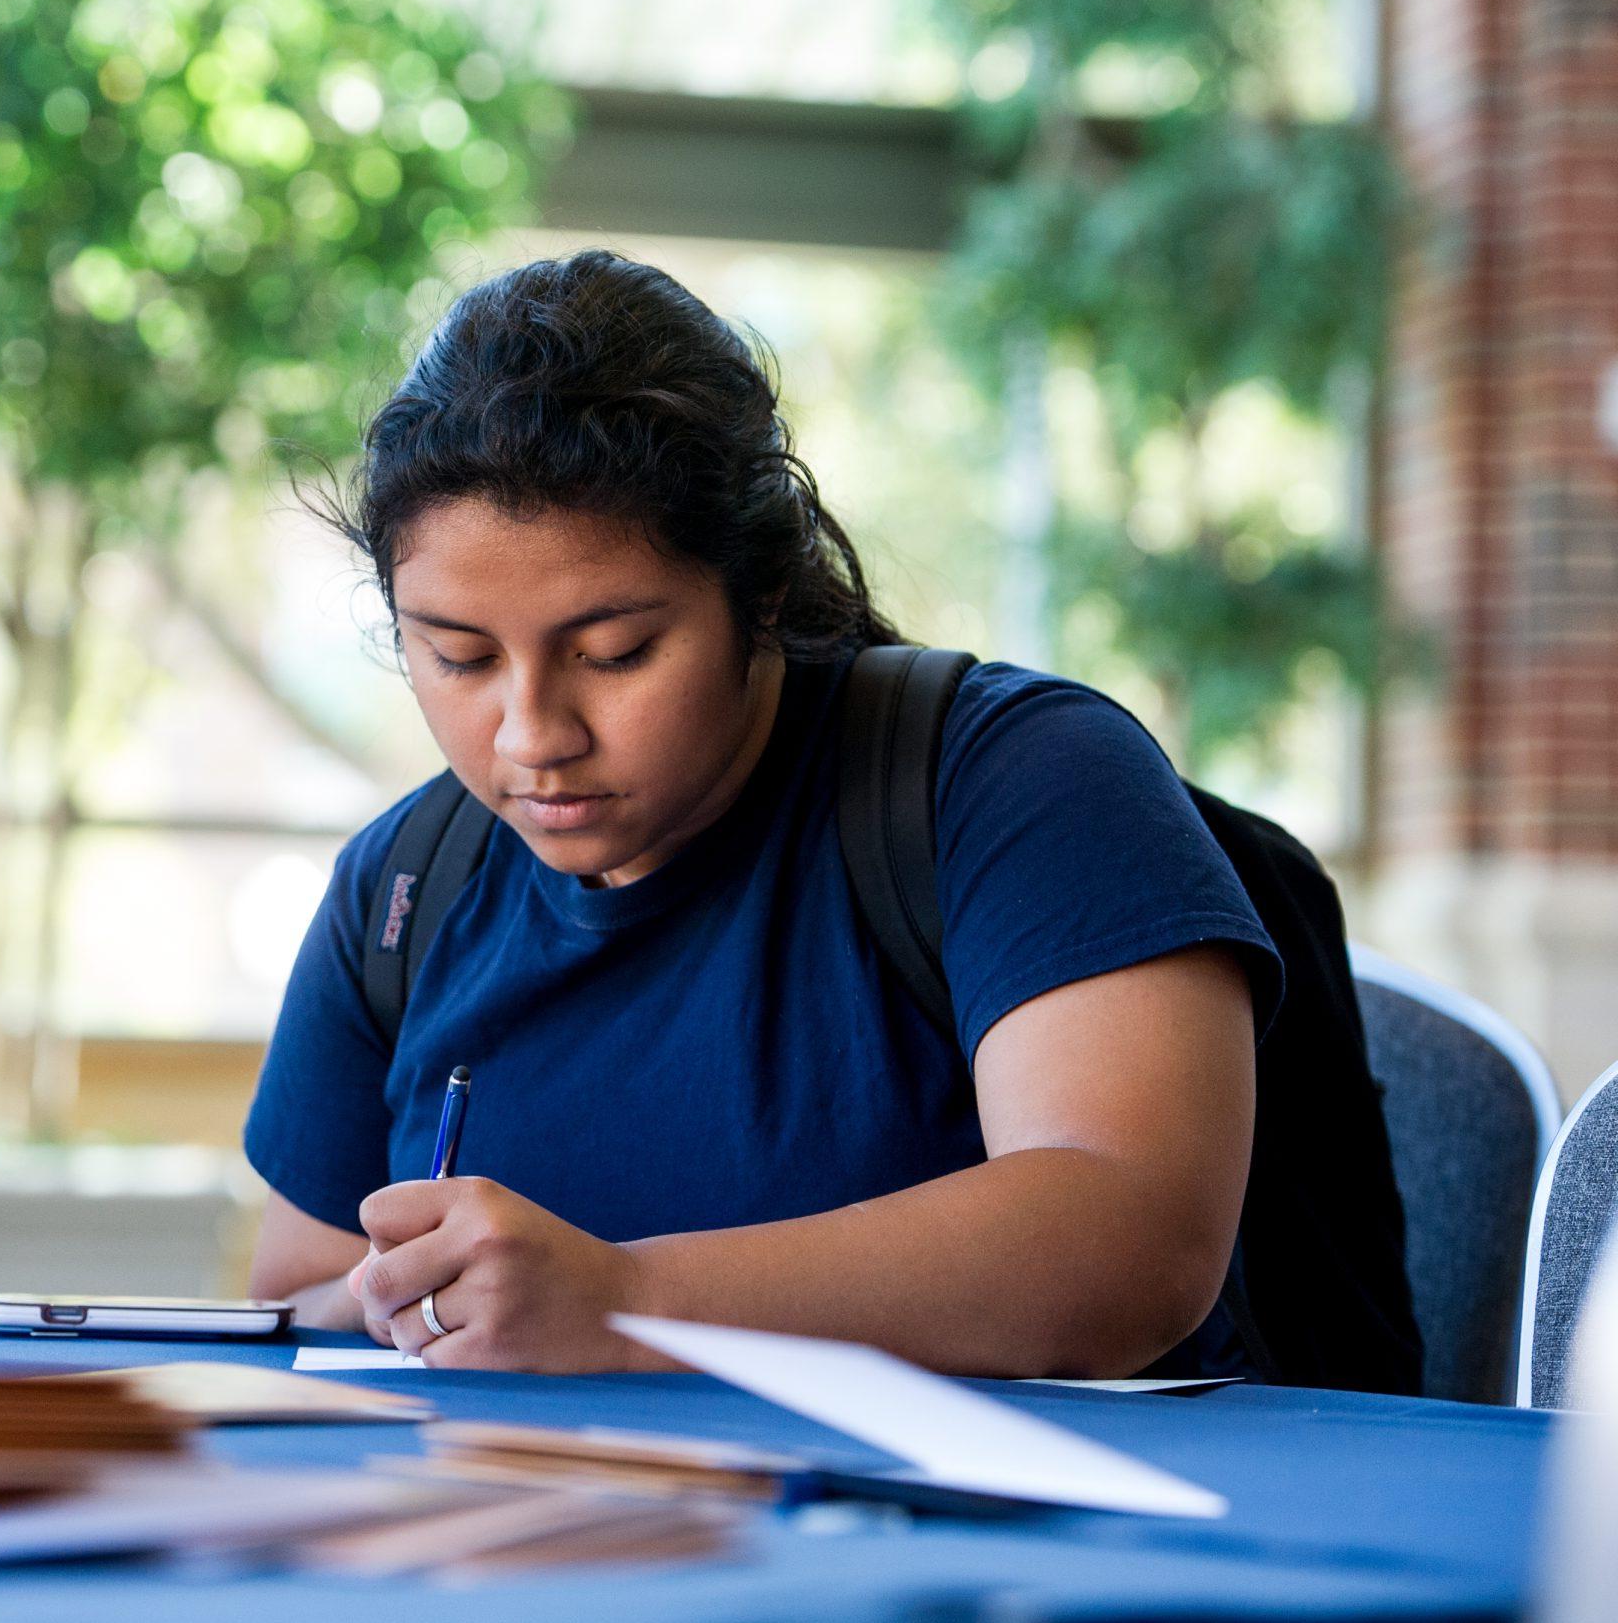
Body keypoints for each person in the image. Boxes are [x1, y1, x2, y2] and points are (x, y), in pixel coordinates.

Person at [242, 248, 1277, 1377]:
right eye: (457, 656)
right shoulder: (404, 883)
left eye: (613, 652)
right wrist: (437, 1298)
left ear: (763, 591)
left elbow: (1134, 1241)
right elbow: (297, 1291)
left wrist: (624, 1301)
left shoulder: (1016, 777)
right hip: (543, 1536)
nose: (532, 732)